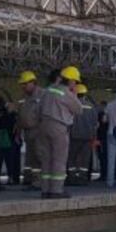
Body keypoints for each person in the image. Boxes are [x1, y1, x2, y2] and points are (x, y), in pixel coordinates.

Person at [38, 66, 83, 198]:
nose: (75, 83)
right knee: (59, 159)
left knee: (46, 159)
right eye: (75, 81)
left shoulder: (47, 90)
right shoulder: (65, 93)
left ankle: (45, 190)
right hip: (58, 127)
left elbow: (39, 108)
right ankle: (56, 190)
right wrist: (74, 94)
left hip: (43, 125)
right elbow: (79, 110)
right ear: (70, 81)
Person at [16, 71, 44, 191]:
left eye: (25, 84)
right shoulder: (24, 97)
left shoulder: (42, 95)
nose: (23, 86)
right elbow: (21, 115)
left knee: (40, 156)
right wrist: (18, 131)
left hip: (39, 131)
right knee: (31, 159)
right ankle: (34, 181)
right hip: (28, 132)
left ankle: (43, 182)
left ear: (33, 83)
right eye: (22, 84)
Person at [68, 83, 98, 185]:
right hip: (88, 136)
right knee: (84, 158)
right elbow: (95, 123)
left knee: (72, 157)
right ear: (85, 94)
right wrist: (94, 137)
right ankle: (83, 178)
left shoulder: (72, 105)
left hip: (74, 135)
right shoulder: (91, 107)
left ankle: (71, 177)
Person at [0, 98, 20, 185]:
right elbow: (14, 127)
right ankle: (11, 177)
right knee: (9, 161)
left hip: (0, 141)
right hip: (10, 140)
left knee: (0, 161)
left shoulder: (0, 115)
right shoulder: (13, 116)